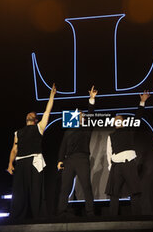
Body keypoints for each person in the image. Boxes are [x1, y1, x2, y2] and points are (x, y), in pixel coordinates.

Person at [7, 84, 56, 221]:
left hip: (34, 161)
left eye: (33, 114)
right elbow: (14, 149)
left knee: (36, 192)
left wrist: (51, 96)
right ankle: (16, 217)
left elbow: (47, 112)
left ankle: (39, 217)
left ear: (35, 120)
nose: (30, 114)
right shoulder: (18, 132)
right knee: (19, 192)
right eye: (28, 113)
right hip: (21, 162)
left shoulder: (39, 127)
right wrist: (10, 163)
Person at [105, 91, 150, 215]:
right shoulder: (111, 136)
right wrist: (110, 166)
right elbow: (108, 152)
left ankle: (137, 217)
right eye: (116, 120)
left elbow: (137, 117)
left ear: (123, 122)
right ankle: (112, 218)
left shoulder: (130, 130)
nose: (118, 121)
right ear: (114, 123)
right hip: (116, 166)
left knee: (135, 191)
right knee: (114, 193)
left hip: (129, 163)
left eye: (120, 120)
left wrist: (142, 102)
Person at [57, 86, 98, 217]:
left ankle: (90, 211)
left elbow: (91, 115)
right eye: (78, 115)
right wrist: (59, 160)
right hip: (68, 160)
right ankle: (61, 211)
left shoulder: (87, 128)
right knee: (65, 187)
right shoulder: (68, 130)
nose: (81, 116)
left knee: (86, 185)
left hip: (82, 159)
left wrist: (91, 99)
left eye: (82, 115)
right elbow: (62, 146)